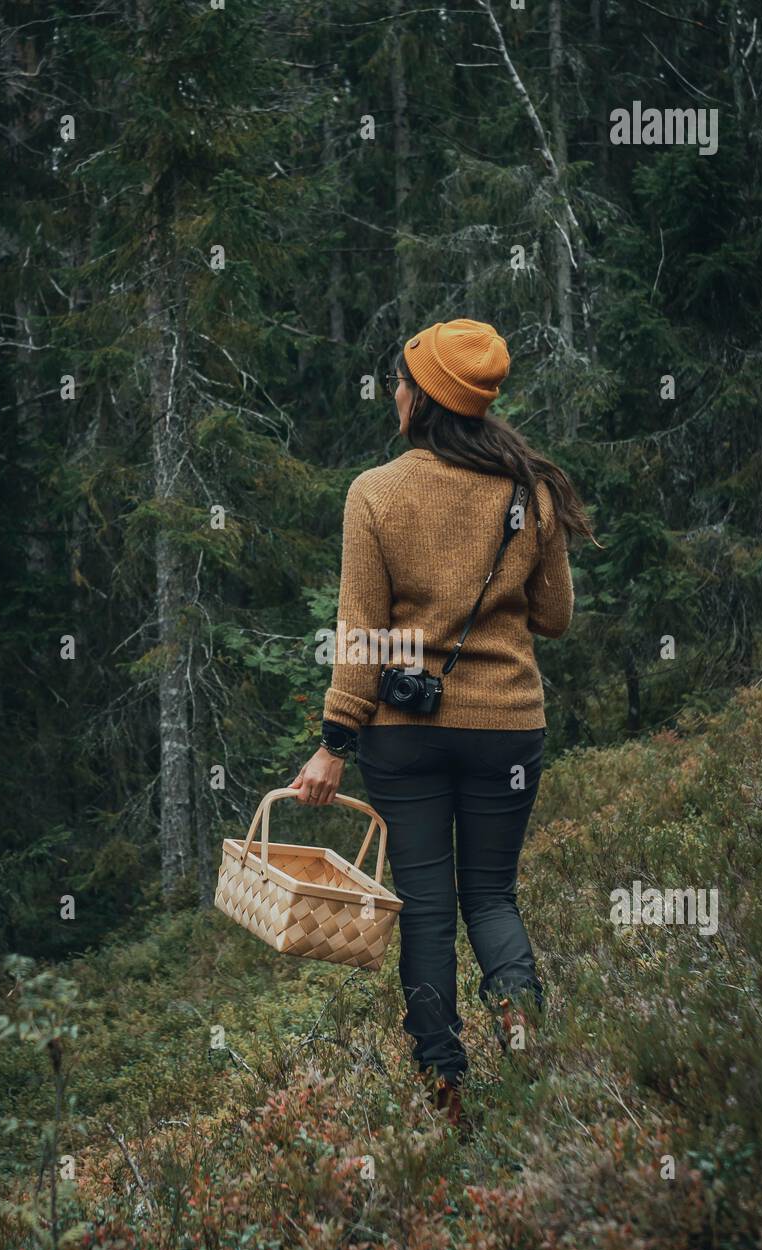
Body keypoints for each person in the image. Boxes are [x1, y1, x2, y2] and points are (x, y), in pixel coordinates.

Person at [290, 319, 593, 1129]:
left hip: (405, 733)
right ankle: (520, 1020)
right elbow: (555, 616)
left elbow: (361, 634)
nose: (393, 390)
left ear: (423, 397)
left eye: (399, 379)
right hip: (508, 728)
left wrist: (332, 745)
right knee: (492, 895)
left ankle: (445, 1087)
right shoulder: (529, 490)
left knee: (423, 905)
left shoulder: (376, 493)